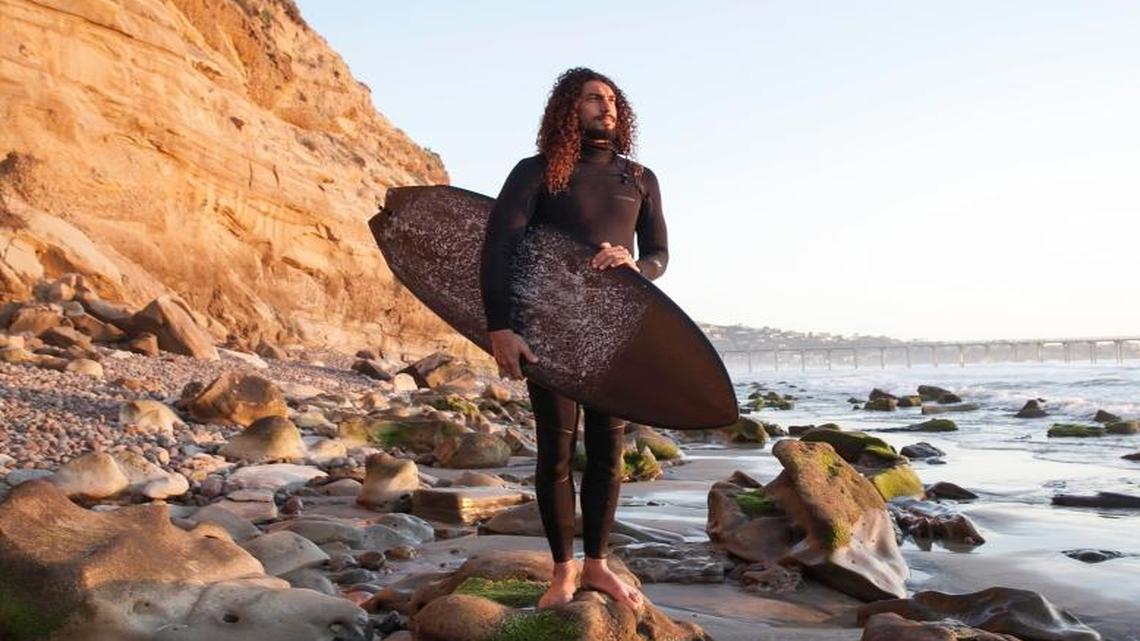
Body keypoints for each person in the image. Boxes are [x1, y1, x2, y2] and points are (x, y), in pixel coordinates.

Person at [479, 67, 668, 611]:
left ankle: (598, 566)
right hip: (549, 327)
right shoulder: (538, 172)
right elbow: (498, 249)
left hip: (613, 331)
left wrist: (637, 266)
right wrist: (501, 328)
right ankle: (563, 573)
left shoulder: (641, 178)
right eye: (591, 98)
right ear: (569, 108)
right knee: (556, 452)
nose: (604, 106)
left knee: (609, 452)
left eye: (610, 99)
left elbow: (659, 254)